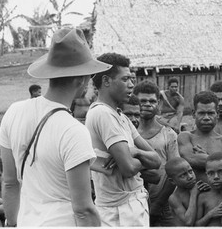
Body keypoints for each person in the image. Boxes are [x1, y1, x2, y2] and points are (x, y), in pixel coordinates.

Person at [0, 28, 109, 226]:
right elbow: (83, 209)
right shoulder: (73, 130)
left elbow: (9, 182)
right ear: (80, 79)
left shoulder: (13, 112)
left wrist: (12, 223)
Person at [86, 52, 161, 227]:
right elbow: (128, 168)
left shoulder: (122, 117)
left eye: (132, 79)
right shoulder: (102, 114)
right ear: (106, 81)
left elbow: (157, 160)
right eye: (125, 79)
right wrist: (137, 158)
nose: (131, 85)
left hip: (131, 207)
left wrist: (134, 152)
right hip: (119, 212)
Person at [133, 80, 180, 227]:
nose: (147, 104)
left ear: (159, 103)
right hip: (133, 202)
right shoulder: (126, 133)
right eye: (142, 101)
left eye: (152, 101)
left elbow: (174, 173)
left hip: (163, 204)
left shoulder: (169, 134)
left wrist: (158, 205)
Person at [178, 91, 222, 183]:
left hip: (218, 195)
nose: (206, 117)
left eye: (210, 113)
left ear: (217, 114)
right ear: (194, 114)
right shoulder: (185, 137)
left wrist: (207, 155)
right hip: (192, 194)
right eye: (201, 113)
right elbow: (190, 159)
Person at [166, 157, 210, 226]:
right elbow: (188, 222)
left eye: (190, 171)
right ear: (172, 181)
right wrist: (193, 194)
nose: (190, 177)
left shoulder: (199, 187)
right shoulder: (174, 198)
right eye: (183, 175)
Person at [195, 152, 222, 226]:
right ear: (206, 174)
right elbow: (196, 225)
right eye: (211, 173)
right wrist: (210, 214)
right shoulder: (203, 197)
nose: (216, 177)